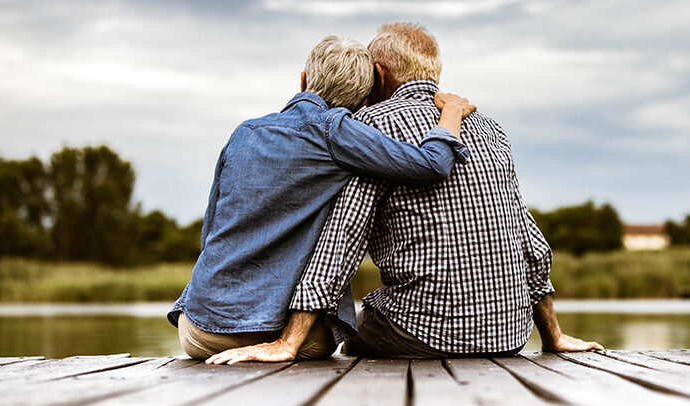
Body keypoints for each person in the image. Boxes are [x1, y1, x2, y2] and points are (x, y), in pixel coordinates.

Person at [206, 22, 599, 364]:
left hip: (421, 332)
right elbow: (528, 238)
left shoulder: (370, 125)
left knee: (347, 331)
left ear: (377, 75)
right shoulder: (489, 128)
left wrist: (288, 342)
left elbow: (341, 239)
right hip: (508, 336)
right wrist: (553, 336)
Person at [168, 34, 476, 361]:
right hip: (277, 332)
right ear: (364, 101)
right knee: (339, 337)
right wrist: (452, 114)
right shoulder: (338, 131)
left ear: (303, 80)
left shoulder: (244, 132)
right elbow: (432, 164)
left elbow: (211, 232)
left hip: (199, 330)